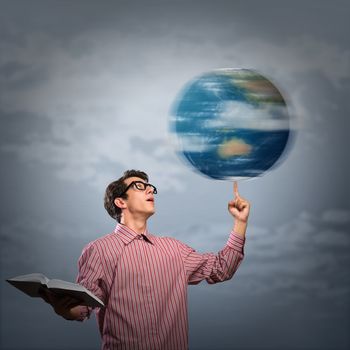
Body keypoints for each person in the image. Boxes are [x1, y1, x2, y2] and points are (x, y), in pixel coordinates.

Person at [46, 169, 250, 350]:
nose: (150, 190)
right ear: (120, 202)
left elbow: (222, 268)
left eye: (151, 187)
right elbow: (84, 306)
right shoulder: (99, 250)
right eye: (140, 186)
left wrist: (240, 222)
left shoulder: (175, 250)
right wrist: (66, 309)